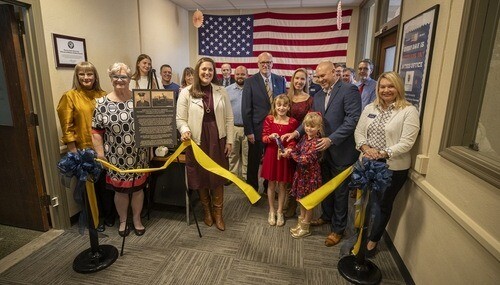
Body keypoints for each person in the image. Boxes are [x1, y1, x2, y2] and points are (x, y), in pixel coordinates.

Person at [283, 61, 361, 247]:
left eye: (323, 76)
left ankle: (338, 229)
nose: (320, 80)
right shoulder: (317, 95)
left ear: (334, 72)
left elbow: (353, 120)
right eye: (317, 77)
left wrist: (331, 139)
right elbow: (309, 119)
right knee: (324, 188)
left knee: (341, 193)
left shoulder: (349, 90)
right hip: (321, 153)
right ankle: (326, 216)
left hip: (341, 151)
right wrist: (296, 133)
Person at [354, 71, 420, 256]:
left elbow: (407, 143)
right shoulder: (370, 108)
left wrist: (382, 153)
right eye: (382, 86)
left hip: (392, 168)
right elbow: (359, 133)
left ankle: (372, 241)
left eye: (390, 86)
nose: (386, 90)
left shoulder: (408, 111)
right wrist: (367, 149)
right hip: (367, 162)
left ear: (398, 87)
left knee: (381, 205)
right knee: (365, 202)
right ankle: (361, 235)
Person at [57, 61, 115, 232]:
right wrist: (74, 152)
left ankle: (109, 215)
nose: (86, 77)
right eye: (82, 74)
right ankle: (96, 219)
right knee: (90, 190)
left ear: (95, 76)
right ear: (77, 76)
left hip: (105, 149)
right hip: (83, 151)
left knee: (106, 186)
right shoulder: (70, 96)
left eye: (89, 74)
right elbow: (66, 126)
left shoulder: (103, 95)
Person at [176, 57, 234, 231]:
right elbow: (180, 119)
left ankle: (218, 213)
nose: (207, 73)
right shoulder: (186, 92)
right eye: (203, 70)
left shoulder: (221, 90)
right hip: (197, 140)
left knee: (216, 176)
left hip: (218, 138)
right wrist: (184, 129)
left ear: (213, 72)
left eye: (210, 70)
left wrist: (230, 140)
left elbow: (229, 118)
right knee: (201, 177)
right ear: (197, 71)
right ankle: (207, 211)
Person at [92, 62, 149, 237]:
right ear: (110, 78)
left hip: (139, 154)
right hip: (116, 156)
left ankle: (137, 219)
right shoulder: (101, 103)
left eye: (123, 76)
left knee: (138, 190)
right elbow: (96, 131)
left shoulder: (140, 98)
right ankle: (123, 221)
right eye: (115, 76)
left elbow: (149, 122)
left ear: (129, 79)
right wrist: (100, 154)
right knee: (120, 192)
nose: (119, 80)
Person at [242, 52, 287, 193]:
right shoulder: (250, 81)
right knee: (254, 161)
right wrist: (249, 131)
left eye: (268, 62)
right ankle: (252, 189)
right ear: (258, 64)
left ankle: (269, 188)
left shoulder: (280, 80)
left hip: (276, 129)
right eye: (263, 62)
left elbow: (284, 103)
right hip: (256, 130)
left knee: (271, 160)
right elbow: (246, 108)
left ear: (272, 64)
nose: (265, 65)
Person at [261, 95, 299, 226]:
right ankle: (271, 210)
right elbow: (264, 138)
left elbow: (293, 140)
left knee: (282, 185)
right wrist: (270, 137)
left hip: (284, 157)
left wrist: (289, 149)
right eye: (279, 105)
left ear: (288, 107)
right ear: (275, 106)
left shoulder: (293, 121)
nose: (281, 108)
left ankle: (280, 211)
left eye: (284, 105)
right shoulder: (269, 119)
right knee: (271, 184)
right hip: (271, 155)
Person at [286, 112, 323, 238]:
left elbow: (305, 159)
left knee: (309, 202)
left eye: (312, 127)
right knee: (301, 200)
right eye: (307, 126)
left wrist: (291, 154)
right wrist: (290, 150)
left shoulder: (317, 142)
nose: (308, 129)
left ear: (319, 128)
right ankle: (301, 222)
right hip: (301, 174)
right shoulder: (304, 137)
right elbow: (297, 148)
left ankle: (306, 226)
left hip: (310, 177)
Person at [284, 68, 314, 218]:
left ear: (306, 81)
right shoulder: (286, 97)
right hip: (287, 138)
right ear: (292, 80)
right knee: (287, 173)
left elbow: (309, 122)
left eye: (302, 79)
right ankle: (288, 203)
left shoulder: (310, 99)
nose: (299, 82)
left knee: (299, 175)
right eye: (297, 78)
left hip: (302, 140)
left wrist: (297, 133)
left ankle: (296, 205)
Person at [226, 65, 249, 181]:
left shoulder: (251, 89)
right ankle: (232, 176)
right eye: (238, 74)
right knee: (233, 154)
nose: (240, 76)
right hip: (233, 127)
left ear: (247, 75)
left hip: (248, 128)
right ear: (234, 75)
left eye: (242, 74)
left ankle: (245, 177)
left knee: (247, 155)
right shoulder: (227, 90)